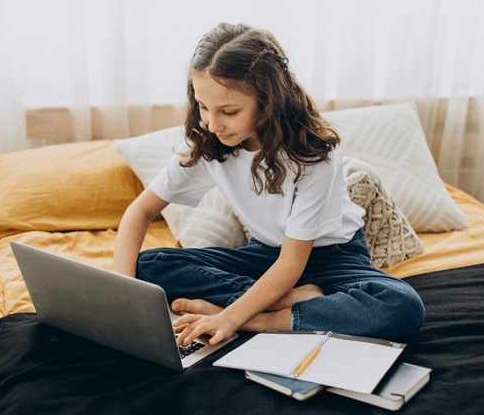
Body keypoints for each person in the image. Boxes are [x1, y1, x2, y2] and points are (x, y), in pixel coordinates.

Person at [114, 22, 425, 348]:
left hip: (332, 255)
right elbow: (141, 211)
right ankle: (295, 301)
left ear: (268, 101)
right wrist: (122, 292)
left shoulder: (314, 154)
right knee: (147, 266)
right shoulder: (208, 143)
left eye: (229, 111)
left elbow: (292, 263)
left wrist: (230, 318)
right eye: (203, 107)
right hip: (264, 256)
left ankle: (265, 319)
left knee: (401, 306)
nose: (212, 123)